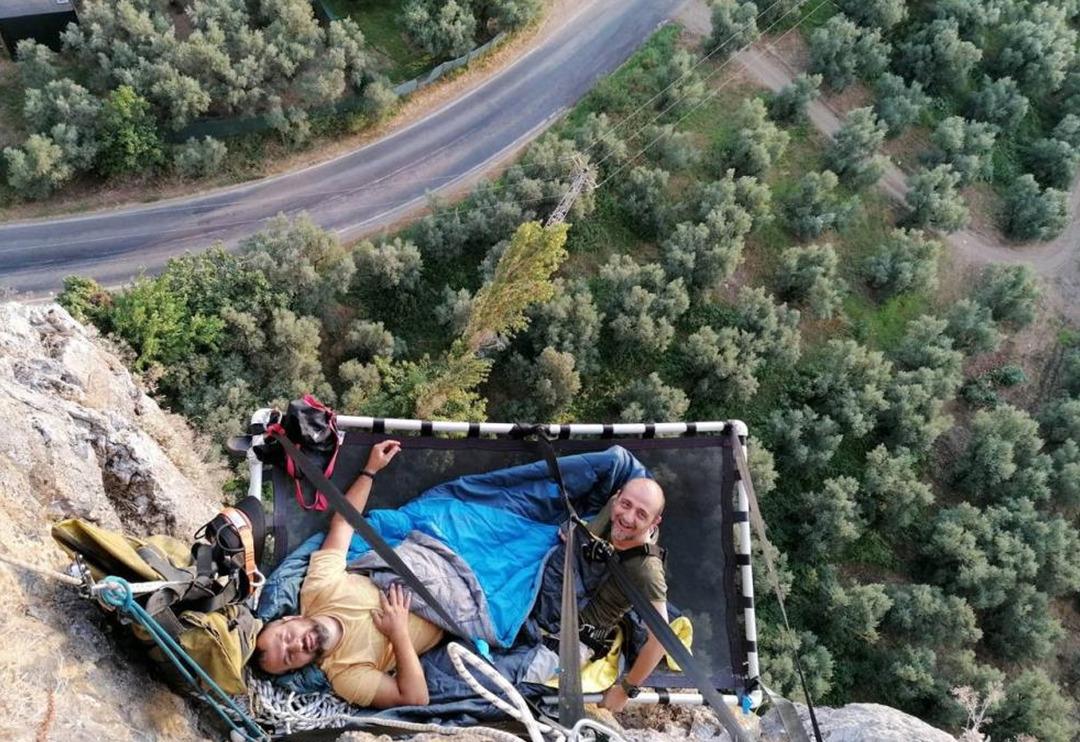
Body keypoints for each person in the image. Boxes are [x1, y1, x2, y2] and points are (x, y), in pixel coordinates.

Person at [252, 439, 445, 708]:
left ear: (292, 618)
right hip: (453, 608)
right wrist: (398, 632)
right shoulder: (345, 676)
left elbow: (344, 524)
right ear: (297, 669)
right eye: (288, 658)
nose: (295, 646)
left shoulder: (318, 589)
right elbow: (415, 698)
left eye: (286, 638)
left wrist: (370, 470)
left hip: (431, 558)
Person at [571, 476, 669, 713]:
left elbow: (662, 639)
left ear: (655, 522)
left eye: (641, 514)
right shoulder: (610, 518)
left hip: (571, 640)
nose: (627, 517)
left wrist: (625, 690)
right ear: (616, 499)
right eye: (626, 505)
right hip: (549, 604)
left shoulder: (646, 569)